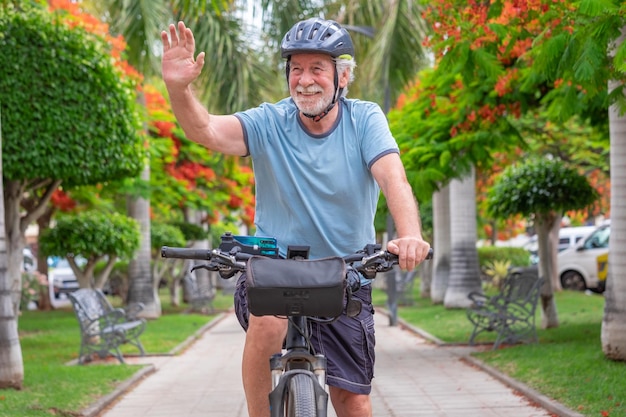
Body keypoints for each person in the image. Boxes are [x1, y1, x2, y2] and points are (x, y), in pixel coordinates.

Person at [161, 17, 431, 417]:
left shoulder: (365, 119)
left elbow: (393, 178)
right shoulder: (270, 121)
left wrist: (410, 235)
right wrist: (178, 88)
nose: (305, 80)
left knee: (353, 401)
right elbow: (206, 130)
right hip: (273, 269)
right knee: (268, 323)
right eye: (296, 69)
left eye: (317, 69)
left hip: (344, 273)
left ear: (341, 77)